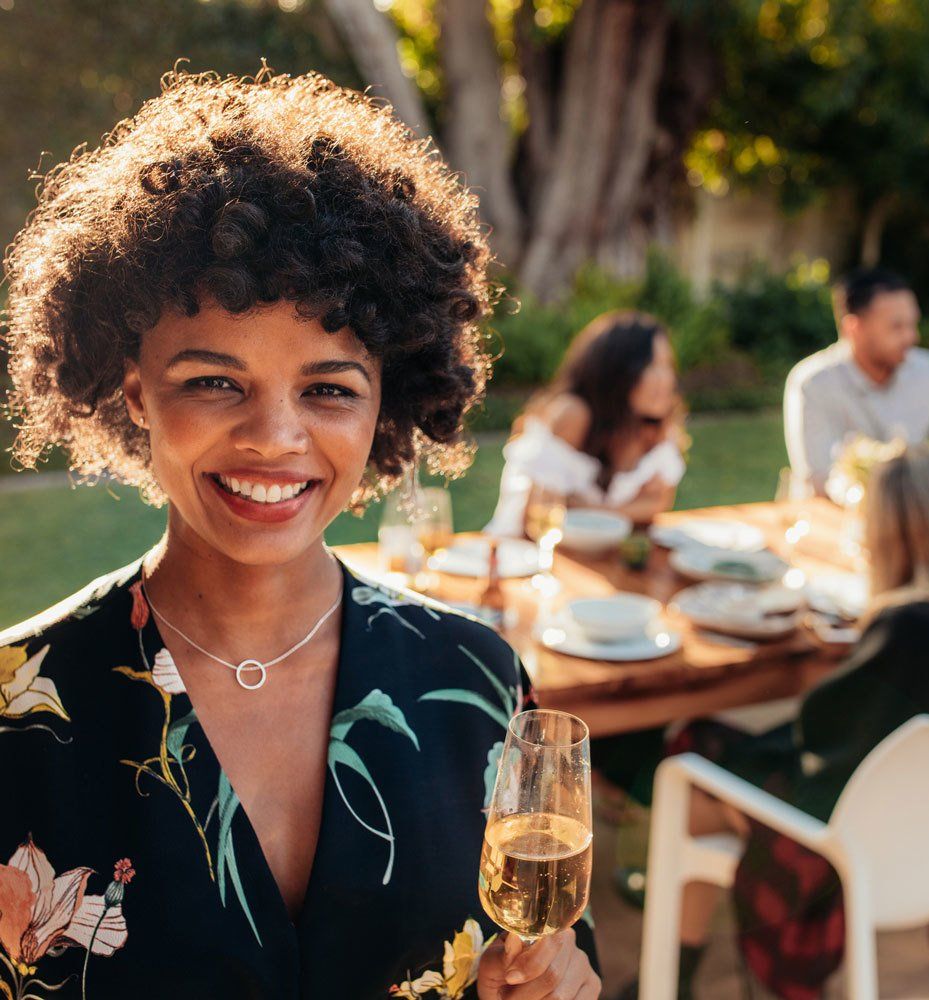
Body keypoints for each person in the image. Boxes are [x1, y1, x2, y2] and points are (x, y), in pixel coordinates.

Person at [0, 69, 600, 1000]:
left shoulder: (480, 681)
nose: (276, 438)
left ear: (381, 410)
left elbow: (560, 950)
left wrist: (558, 983)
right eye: (212, 380)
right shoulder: (15, 714)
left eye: (328, 388)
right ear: (134, 396)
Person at [664, 441, 929, 999]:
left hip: (864, 858)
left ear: (884, 535)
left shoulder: (910, 630)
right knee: (723, 754)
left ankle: (674, 972)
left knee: (695, 762)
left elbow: (824, 738)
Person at [783, 267, 929, 498]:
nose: (912, 337)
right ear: (853, 328)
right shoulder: (814, 383)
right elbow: (820, 479)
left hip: (916, 517)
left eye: (912, 324)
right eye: (897, 327)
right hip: (834, 523)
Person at [486, 310, 686, 536]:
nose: (667, 379)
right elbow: (535, 517)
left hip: (593, 558)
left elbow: (658, 504)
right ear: (618, 370)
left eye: (667, 365)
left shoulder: (653, 426)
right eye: (652, 366)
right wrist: (623, 512)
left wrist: (587, 509)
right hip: (518, 553)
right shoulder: (573, 414)